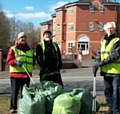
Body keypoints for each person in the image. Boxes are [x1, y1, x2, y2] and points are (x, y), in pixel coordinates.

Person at [92, 22, 120, 114]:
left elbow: (114, 56)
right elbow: (99, 53)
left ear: (114, 29)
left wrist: (100, 64)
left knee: (116, 92)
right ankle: (111, 109)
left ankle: (116, 110)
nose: (110, 30)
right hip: (106, 71)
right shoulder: (103, 40)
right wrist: (96, 63)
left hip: (116, 71)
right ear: (105, 29)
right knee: (107, 91)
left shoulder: (117, 41)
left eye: (112, 28)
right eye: (108, 28)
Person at [6, 32, 35, 113]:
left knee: (25, 93)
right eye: (21, 38)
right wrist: (15, 62)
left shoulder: (30, 50)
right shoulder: (13, 49)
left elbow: (33, 61)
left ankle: (23, 107)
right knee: (14, 93)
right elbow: (9, 60)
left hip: (26, 75)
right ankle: (13, 108)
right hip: (16, 75)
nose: (23, 39)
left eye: (24, 37)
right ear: (18, 40)